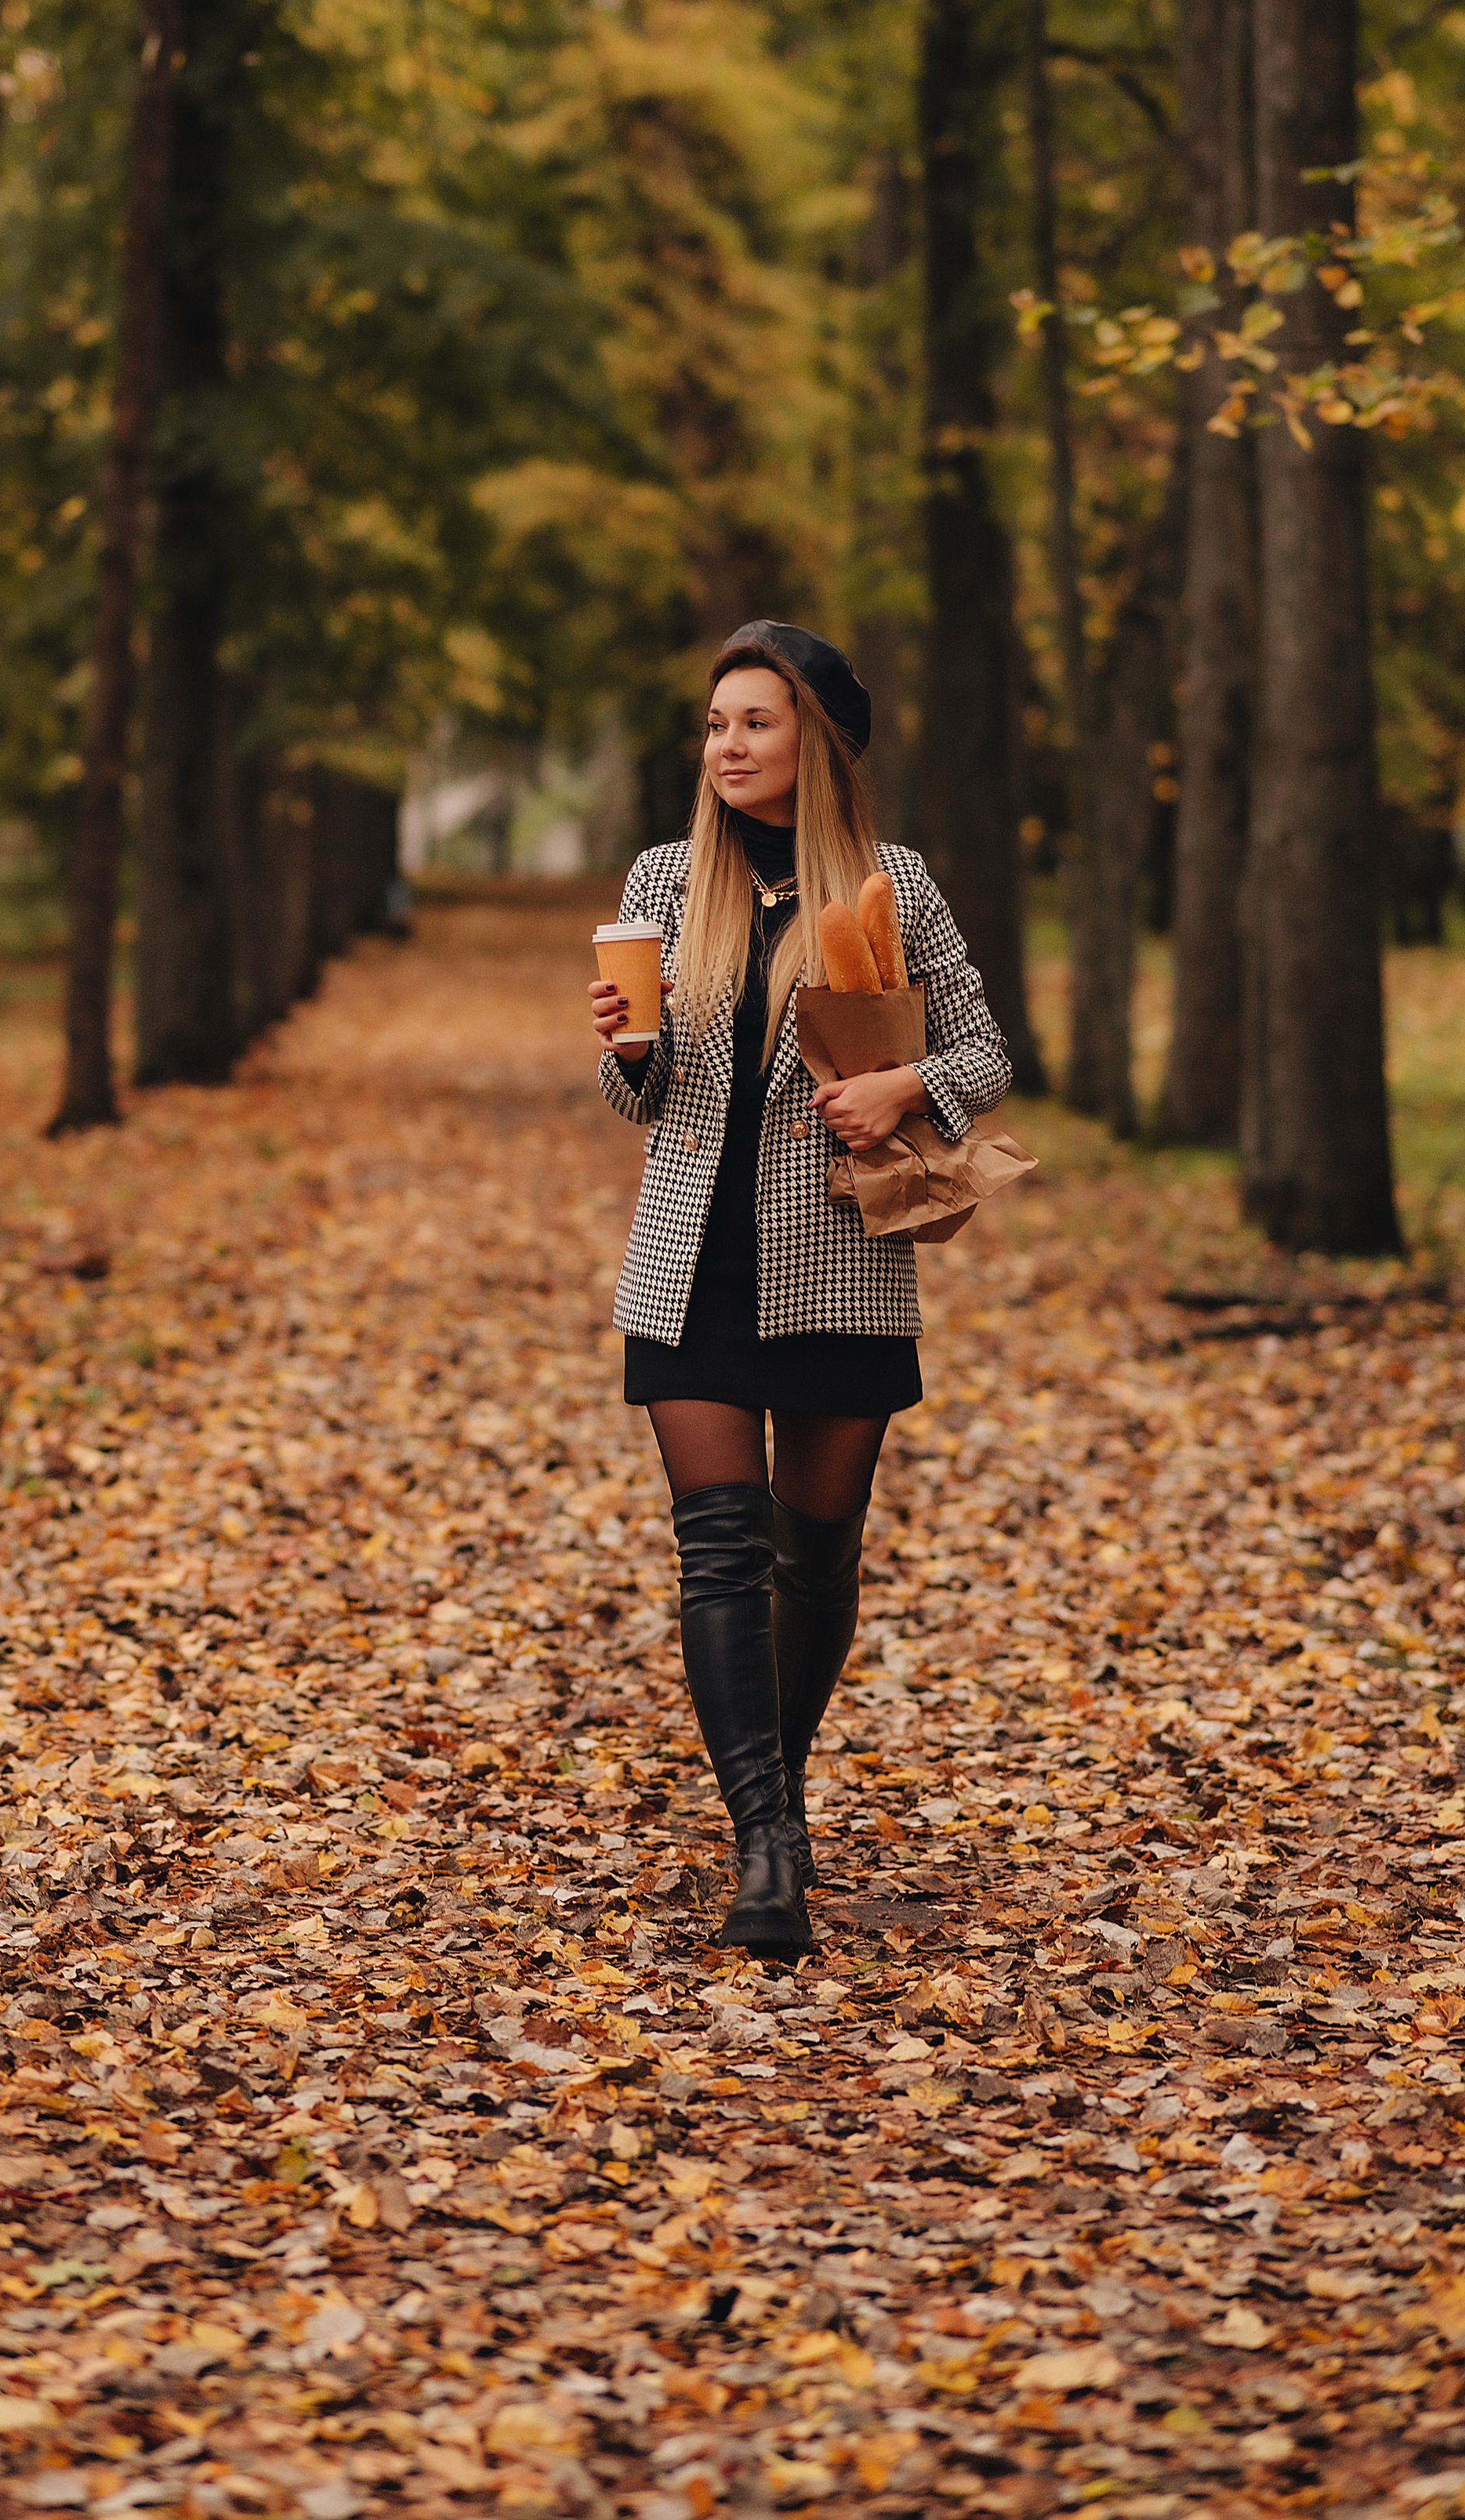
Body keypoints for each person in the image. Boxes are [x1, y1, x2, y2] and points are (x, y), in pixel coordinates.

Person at [589, 621, 1011, 1959]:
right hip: (689, 1261)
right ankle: (765, 1838)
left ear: (815, 741)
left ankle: (780, 1781)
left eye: (755, 723)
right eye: (715, 725)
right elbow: (638, 1099)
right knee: (717, 1549)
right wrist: (627, 1044)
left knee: (813, 1553)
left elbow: (988, 1047)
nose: (727, 746)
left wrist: (910, 1083)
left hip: (835, 1256)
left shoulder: (895, 885)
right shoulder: (665, 879)